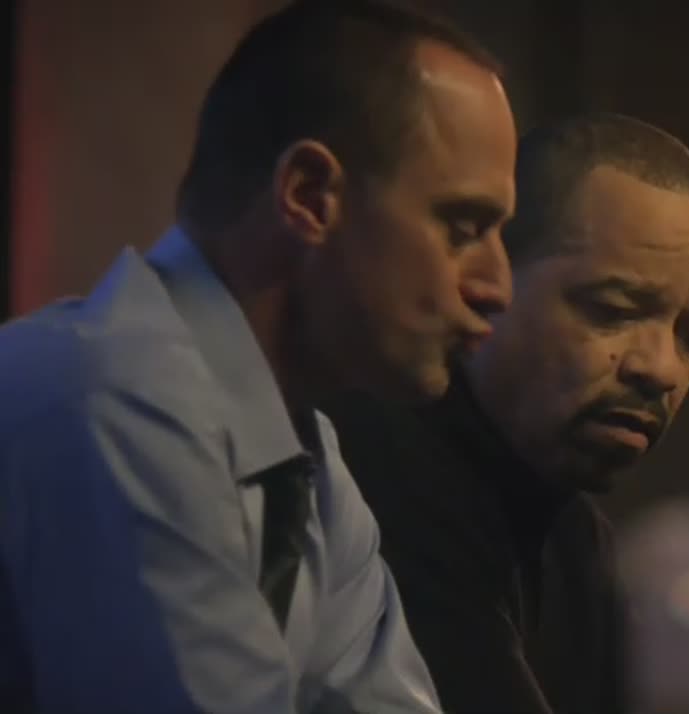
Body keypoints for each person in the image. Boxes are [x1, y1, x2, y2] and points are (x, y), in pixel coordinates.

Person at [0, 1, 516, 711]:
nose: (497, 286)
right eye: (463, 226)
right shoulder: (113, 398)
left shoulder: (312, 469)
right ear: (308, 195)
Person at [326, 113, 689, 714]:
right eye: (614, 309)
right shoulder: (370, 478)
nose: (662, 369)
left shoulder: (578, 539)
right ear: (486, 283)